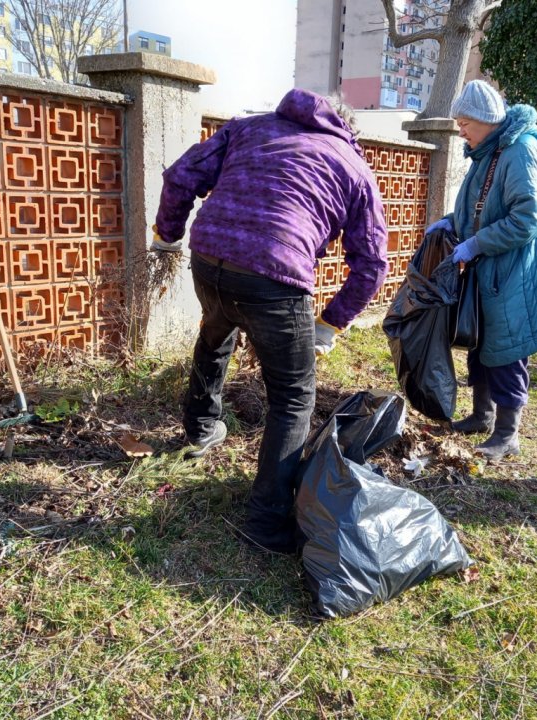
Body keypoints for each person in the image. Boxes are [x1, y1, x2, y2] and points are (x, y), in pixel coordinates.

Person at [152, 89, 388, 553]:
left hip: (209, 257)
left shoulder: (248, 128)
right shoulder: (353, 165)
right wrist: (331, 323)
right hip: (275, 276)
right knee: (295, 397)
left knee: (216, 331)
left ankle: (201, 430)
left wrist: (167, 235)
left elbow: (182, 176)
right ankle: (265, 521)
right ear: (347, 128)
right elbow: (373, 263)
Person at [427, 80, 537, 460]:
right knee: (481, 345)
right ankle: (482, 417)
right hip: (490, 274)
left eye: (465, 122)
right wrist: (453, 223)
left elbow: (527, 218)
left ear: (486, 120)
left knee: (506, 351)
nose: (460, 130)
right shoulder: (487, 153)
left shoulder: (519, 152)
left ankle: (507, 433)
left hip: (513, 274)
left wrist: (476, 243)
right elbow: (482, 208)